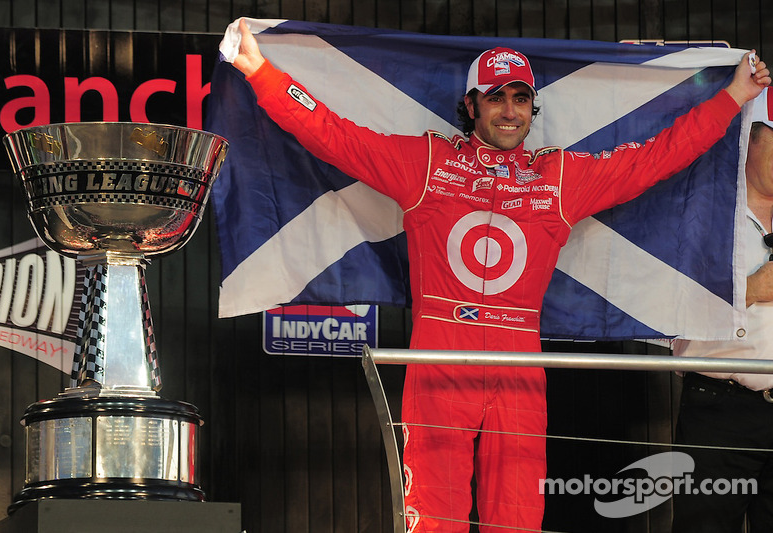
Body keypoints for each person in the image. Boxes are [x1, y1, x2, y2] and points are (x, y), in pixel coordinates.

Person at [225, 18, 770, 533]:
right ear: (471, 105)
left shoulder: (560, 177)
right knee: (434, 518)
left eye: (520, 98)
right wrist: (261, 71)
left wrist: (733, 96)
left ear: (533, 108)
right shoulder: (427, 165)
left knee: (516, 520)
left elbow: (660, 156)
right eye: (495, 98)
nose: (508, 111)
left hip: (518, 367)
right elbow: (331, 133)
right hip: (438, 360)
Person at [672, 87, 773, 533]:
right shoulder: (702, 216)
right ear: (751, 137)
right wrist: (751, 288)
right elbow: (664, 308)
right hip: (720, 412)